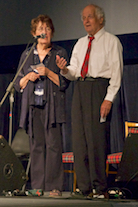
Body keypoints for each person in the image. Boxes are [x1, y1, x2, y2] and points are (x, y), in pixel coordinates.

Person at [56, 4, 123, 198]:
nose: (86, 21)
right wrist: (64, 69)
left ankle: (100, 187)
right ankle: (83, 187)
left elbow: (116, 75)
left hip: (99, 89)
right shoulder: (80, 43)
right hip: (81, 89)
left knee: (96, 140)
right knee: (79, 139)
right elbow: (74, 71)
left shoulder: (112, 41)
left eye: (90, 17)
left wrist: (108, 99)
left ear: (100, 19)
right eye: (83, 17)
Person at [14, 14, 70, 197]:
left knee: (53, 145)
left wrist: (48, 72)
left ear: (52, 32)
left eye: (46, 28)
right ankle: (37, 186)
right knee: (36, 146)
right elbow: (17, 84)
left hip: (52, 107)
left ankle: (54, 187)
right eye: (40, 29)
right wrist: (27, 77)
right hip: (33, 106)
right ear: (34, 33)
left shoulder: (59, 53)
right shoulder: (27, 55)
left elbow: (64, 83)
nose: (43, 32)